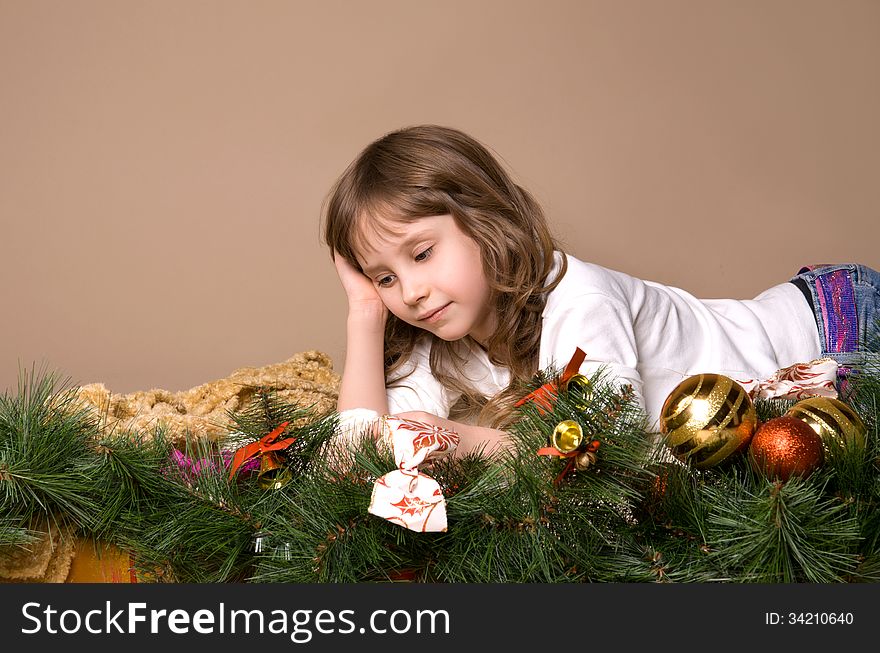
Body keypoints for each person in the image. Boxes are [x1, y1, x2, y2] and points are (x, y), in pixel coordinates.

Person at [322, 124, 879, 456]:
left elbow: (598, 450)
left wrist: (466, 442)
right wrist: (365, 314)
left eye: (422, 254)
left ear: (483, 221)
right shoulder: (440, 340)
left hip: (831, 323)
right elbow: (351, 463)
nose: (411, 292)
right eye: (387, 277)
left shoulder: (579, 299)